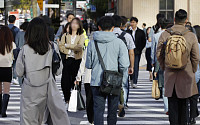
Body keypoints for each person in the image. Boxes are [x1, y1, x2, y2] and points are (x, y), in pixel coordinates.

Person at [16, 17, 71, 125]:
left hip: (29, 90)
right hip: (47, 89)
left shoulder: (25, 49)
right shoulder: (52, 47)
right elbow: (58, 71)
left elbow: (19, 72)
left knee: (28, 120)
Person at [156, 9, 199, 125]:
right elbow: (195, 57)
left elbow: (159, 54)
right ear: (186, 20)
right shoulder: (191, 35)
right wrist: (193, 70)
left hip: (170, 74)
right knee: (184, 105)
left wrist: (165, 66)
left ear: (174, 19)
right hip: (186, 73)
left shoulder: (165, 34)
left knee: (172, 105)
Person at [85, 16, 129, 125]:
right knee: (112, 112)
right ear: (113, 28)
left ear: (99, 27)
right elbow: (124, 65)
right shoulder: (119, 43)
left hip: (97, 82)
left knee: (98, 111)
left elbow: (89, 65)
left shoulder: (92, 43)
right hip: (114, 81)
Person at [59, 18, 85, 105]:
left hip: (77, 60)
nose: (74, 25)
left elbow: (80, 47)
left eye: (76, 24)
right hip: (67, 59)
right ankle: (67, 98)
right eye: (72, 23)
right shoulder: (65, 35)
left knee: (76, 80)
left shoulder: (81, 36)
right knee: (65, 81)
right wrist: (69, 50)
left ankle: (76, 100)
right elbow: (61, 47)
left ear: (79, 26)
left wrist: (68, 45)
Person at [112, 15, 135, 111]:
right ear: (121, 24)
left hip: (111, 63)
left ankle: (114, 102)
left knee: (112, 84)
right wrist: (132, 66)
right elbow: (131, 53)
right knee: (124, 84)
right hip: (124, 63)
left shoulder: (109, 35)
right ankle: (123, 103)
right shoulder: (127, 36)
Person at [152, 18, 169, 114]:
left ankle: (167, 108)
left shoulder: (157, 36)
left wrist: (155, 67)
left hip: (163, 65)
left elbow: (156, 52)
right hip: (175, 65)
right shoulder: (175, 35)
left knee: (164, 87)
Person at [0, 26, 16, 117]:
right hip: (7, 68)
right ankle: (3, 111)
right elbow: (14, 57)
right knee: (6, 91)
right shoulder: (12, 44)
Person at [74, 48, 93, 124]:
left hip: (89, 78)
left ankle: (91, 120)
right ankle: (96, 119)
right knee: (99, 102)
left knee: (89, 101)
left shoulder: (90, 46)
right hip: (101, 79)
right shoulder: (106, 46)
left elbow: (83, 62)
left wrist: (78, 77)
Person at [127, 17, 146, 88]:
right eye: (131, 22)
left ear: (137, 23)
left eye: (134, 22)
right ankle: (131, 79)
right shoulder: (128, 32)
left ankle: (135, 81)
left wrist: (140, 49)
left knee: (135, 66)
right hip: (129, 51)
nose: (132, 24)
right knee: (130, 65)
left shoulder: (141, 32)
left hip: (137, 51)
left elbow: (143, 42)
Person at [8, 15, 20, 85]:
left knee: (7, 63)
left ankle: (8, 76)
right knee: (15, 62)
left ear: (8, 20)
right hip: (14, 46)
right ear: (15, 21)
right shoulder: (16, 29)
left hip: (5, 47)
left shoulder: (4, 28)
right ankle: (14, 77)